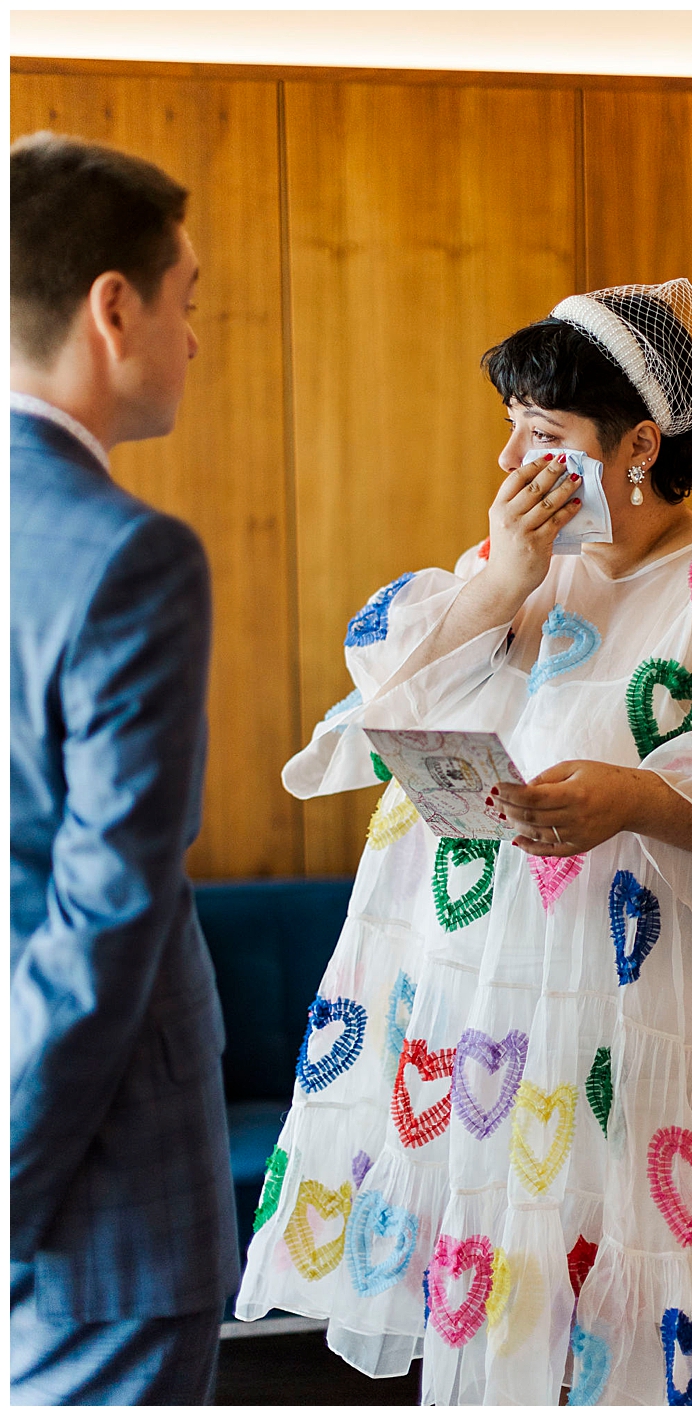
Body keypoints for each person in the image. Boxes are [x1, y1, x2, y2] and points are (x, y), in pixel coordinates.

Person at [232, 282, 692, 1405]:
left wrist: (638, 799)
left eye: (543, 434)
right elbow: (377, 711)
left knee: (652, 1308)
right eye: (510, 426)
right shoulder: (512, 573)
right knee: (515, 1299)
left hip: (653, 1019)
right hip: (490, 1000)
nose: (512, 459)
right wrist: (503, 580)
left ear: (638, 444)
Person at [10, 133, 238, 1403]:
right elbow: (107, 920)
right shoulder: (129, 557)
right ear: (114, 307)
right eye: (187, 301)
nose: (193, 339)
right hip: (93, 1199)